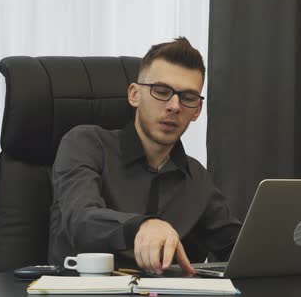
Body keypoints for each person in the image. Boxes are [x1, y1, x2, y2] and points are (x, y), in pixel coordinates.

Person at [48, 37, 242, 275]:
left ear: (197, 111)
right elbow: (79, 220)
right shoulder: (85, 143)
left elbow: (237, 247)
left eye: (188, 98)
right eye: (161, 91)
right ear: (134, 95)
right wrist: (142, 226)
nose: (174, 106)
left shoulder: (196, 177)